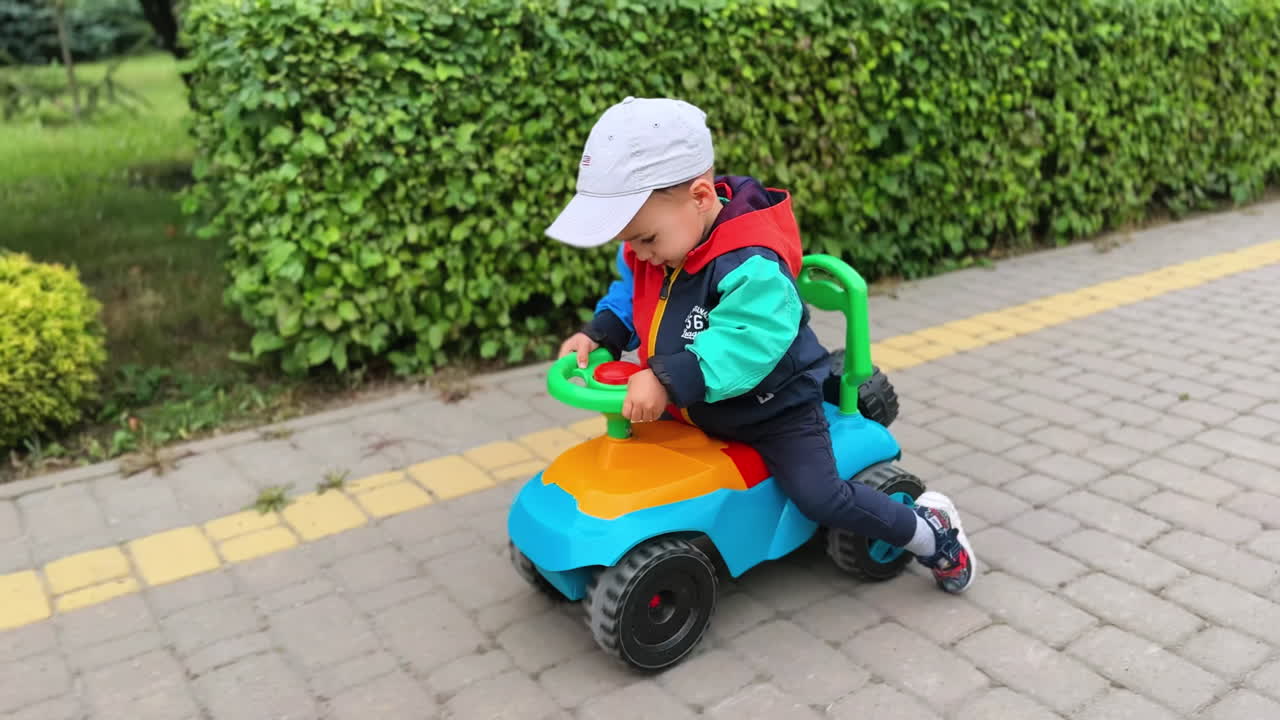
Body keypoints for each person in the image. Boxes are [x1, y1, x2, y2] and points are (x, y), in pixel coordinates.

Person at [545, 96, 976, 593]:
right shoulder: (663, 239)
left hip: (772, 409)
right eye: (632, 243)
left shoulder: (750, 263)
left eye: (645, 240)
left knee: (821, 496)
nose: (639, 254)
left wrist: (666, 378)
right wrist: (599, 333)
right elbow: (632, 291)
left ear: (702, 197)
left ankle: (929, 534)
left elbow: (746, 341)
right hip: (693, 403)